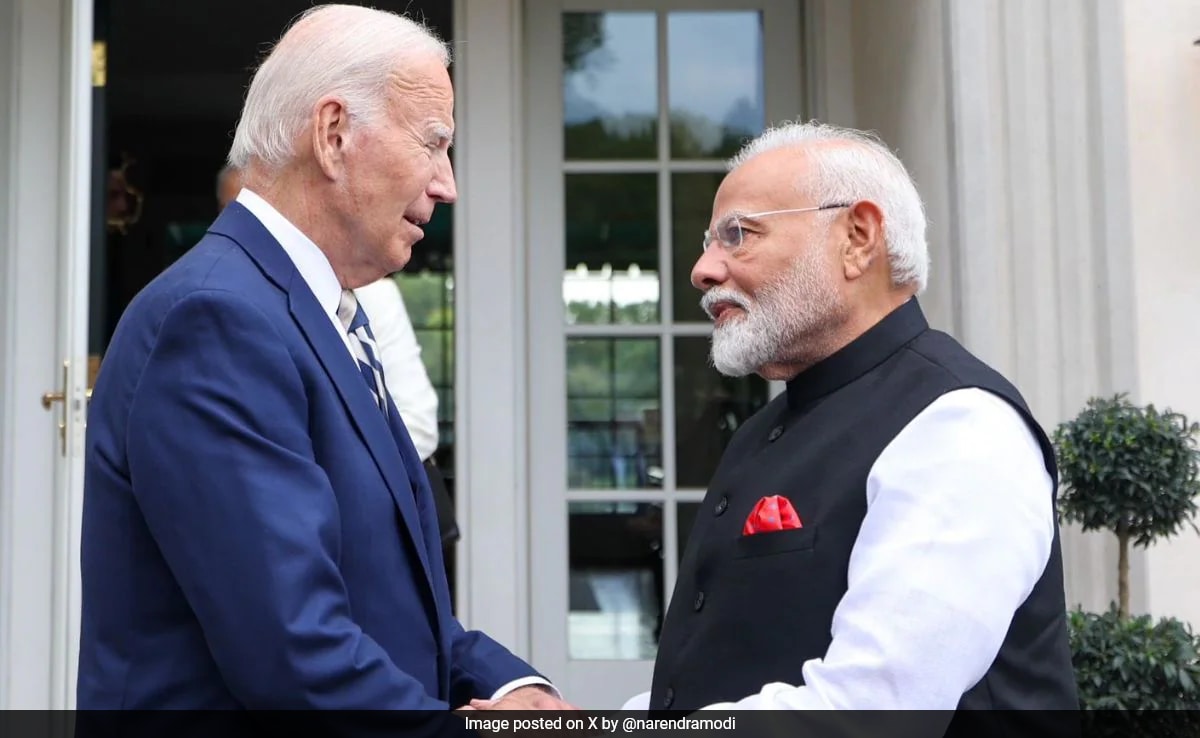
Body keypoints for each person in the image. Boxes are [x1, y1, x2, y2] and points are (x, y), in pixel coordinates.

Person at [78, 4, 570, 721]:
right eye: (434, 144)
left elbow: (385, 600)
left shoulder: (319, 309)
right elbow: (290, 650)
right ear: (334, 135)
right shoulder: (215, 319)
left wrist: (508, 684)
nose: (447, 183)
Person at [625, 121, 1078, 721]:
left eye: (738, 235)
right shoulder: (767, 429)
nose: (703, 269)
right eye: (712, 241)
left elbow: (871, 709)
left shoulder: (960, 427)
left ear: (858, 238)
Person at [219, 165, 459, 547]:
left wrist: (326, 482)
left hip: (371, 535)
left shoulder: (371, 294)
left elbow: (419, 422)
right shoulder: (219, 306)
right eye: (234, 212)